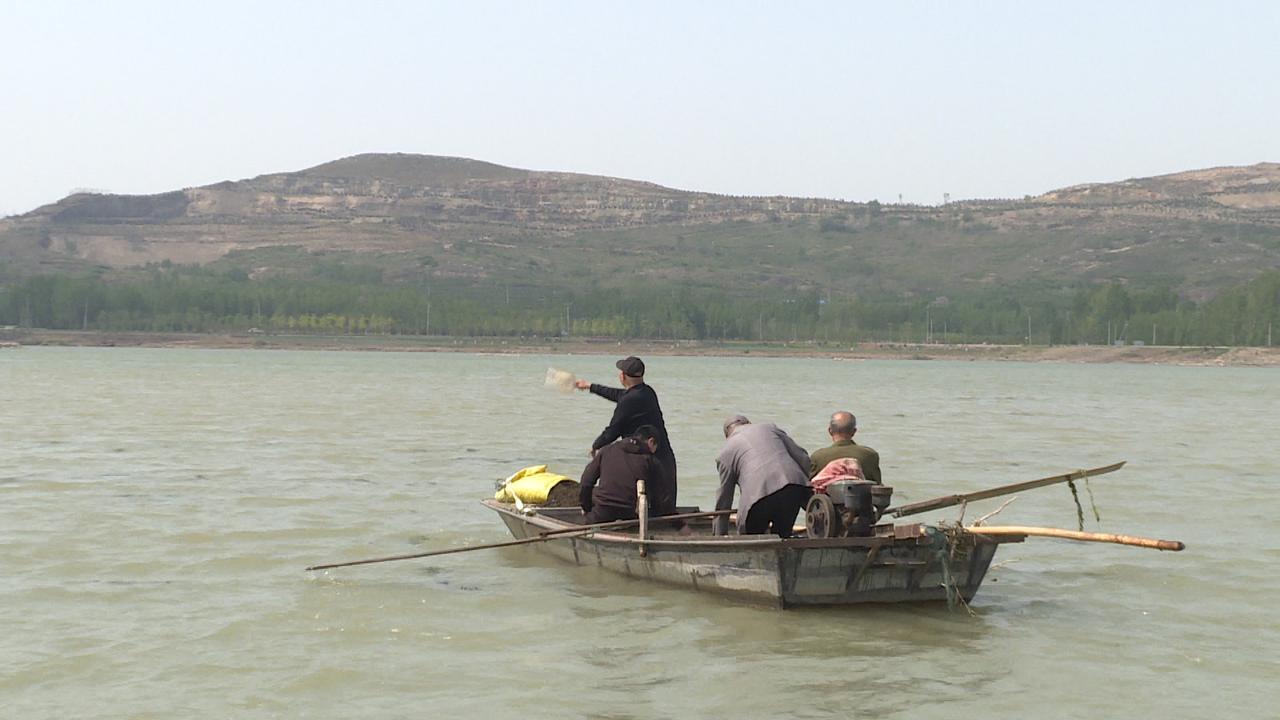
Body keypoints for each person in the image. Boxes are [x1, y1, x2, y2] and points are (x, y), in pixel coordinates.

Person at [575, 356, 678, 512]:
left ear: (622, 376)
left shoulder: (629, 400)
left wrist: (596, 446)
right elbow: (619, 395)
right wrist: (590, 386)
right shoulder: (647, 392)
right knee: (663, 511)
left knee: (648, 510)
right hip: (665, 459)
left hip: (648, 463)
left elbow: (613, 430)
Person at [713, 415, 812, 537]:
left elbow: (724, 497)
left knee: (752, 537)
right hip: (793, 486)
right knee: (783, 535)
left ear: (727, 435)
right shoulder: (769, 427)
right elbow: (803, 458)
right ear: (748, 423)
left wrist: (720, 534)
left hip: (758, 498)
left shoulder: (725, 452)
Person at [578, 426, 669, 524]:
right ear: (651, 442)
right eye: (655, 448)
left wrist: (586, 508)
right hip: (629, 514)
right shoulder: (652, 461)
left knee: (587, 523)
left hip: (602, 510)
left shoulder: (606, 450)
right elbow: (661, 498)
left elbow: (586, 482)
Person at [809, 411, 882, 484]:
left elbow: (811, 484)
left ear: (830, 431)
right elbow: (877, 484)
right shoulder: (870, 455)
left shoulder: (818, 457)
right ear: (854, 431)